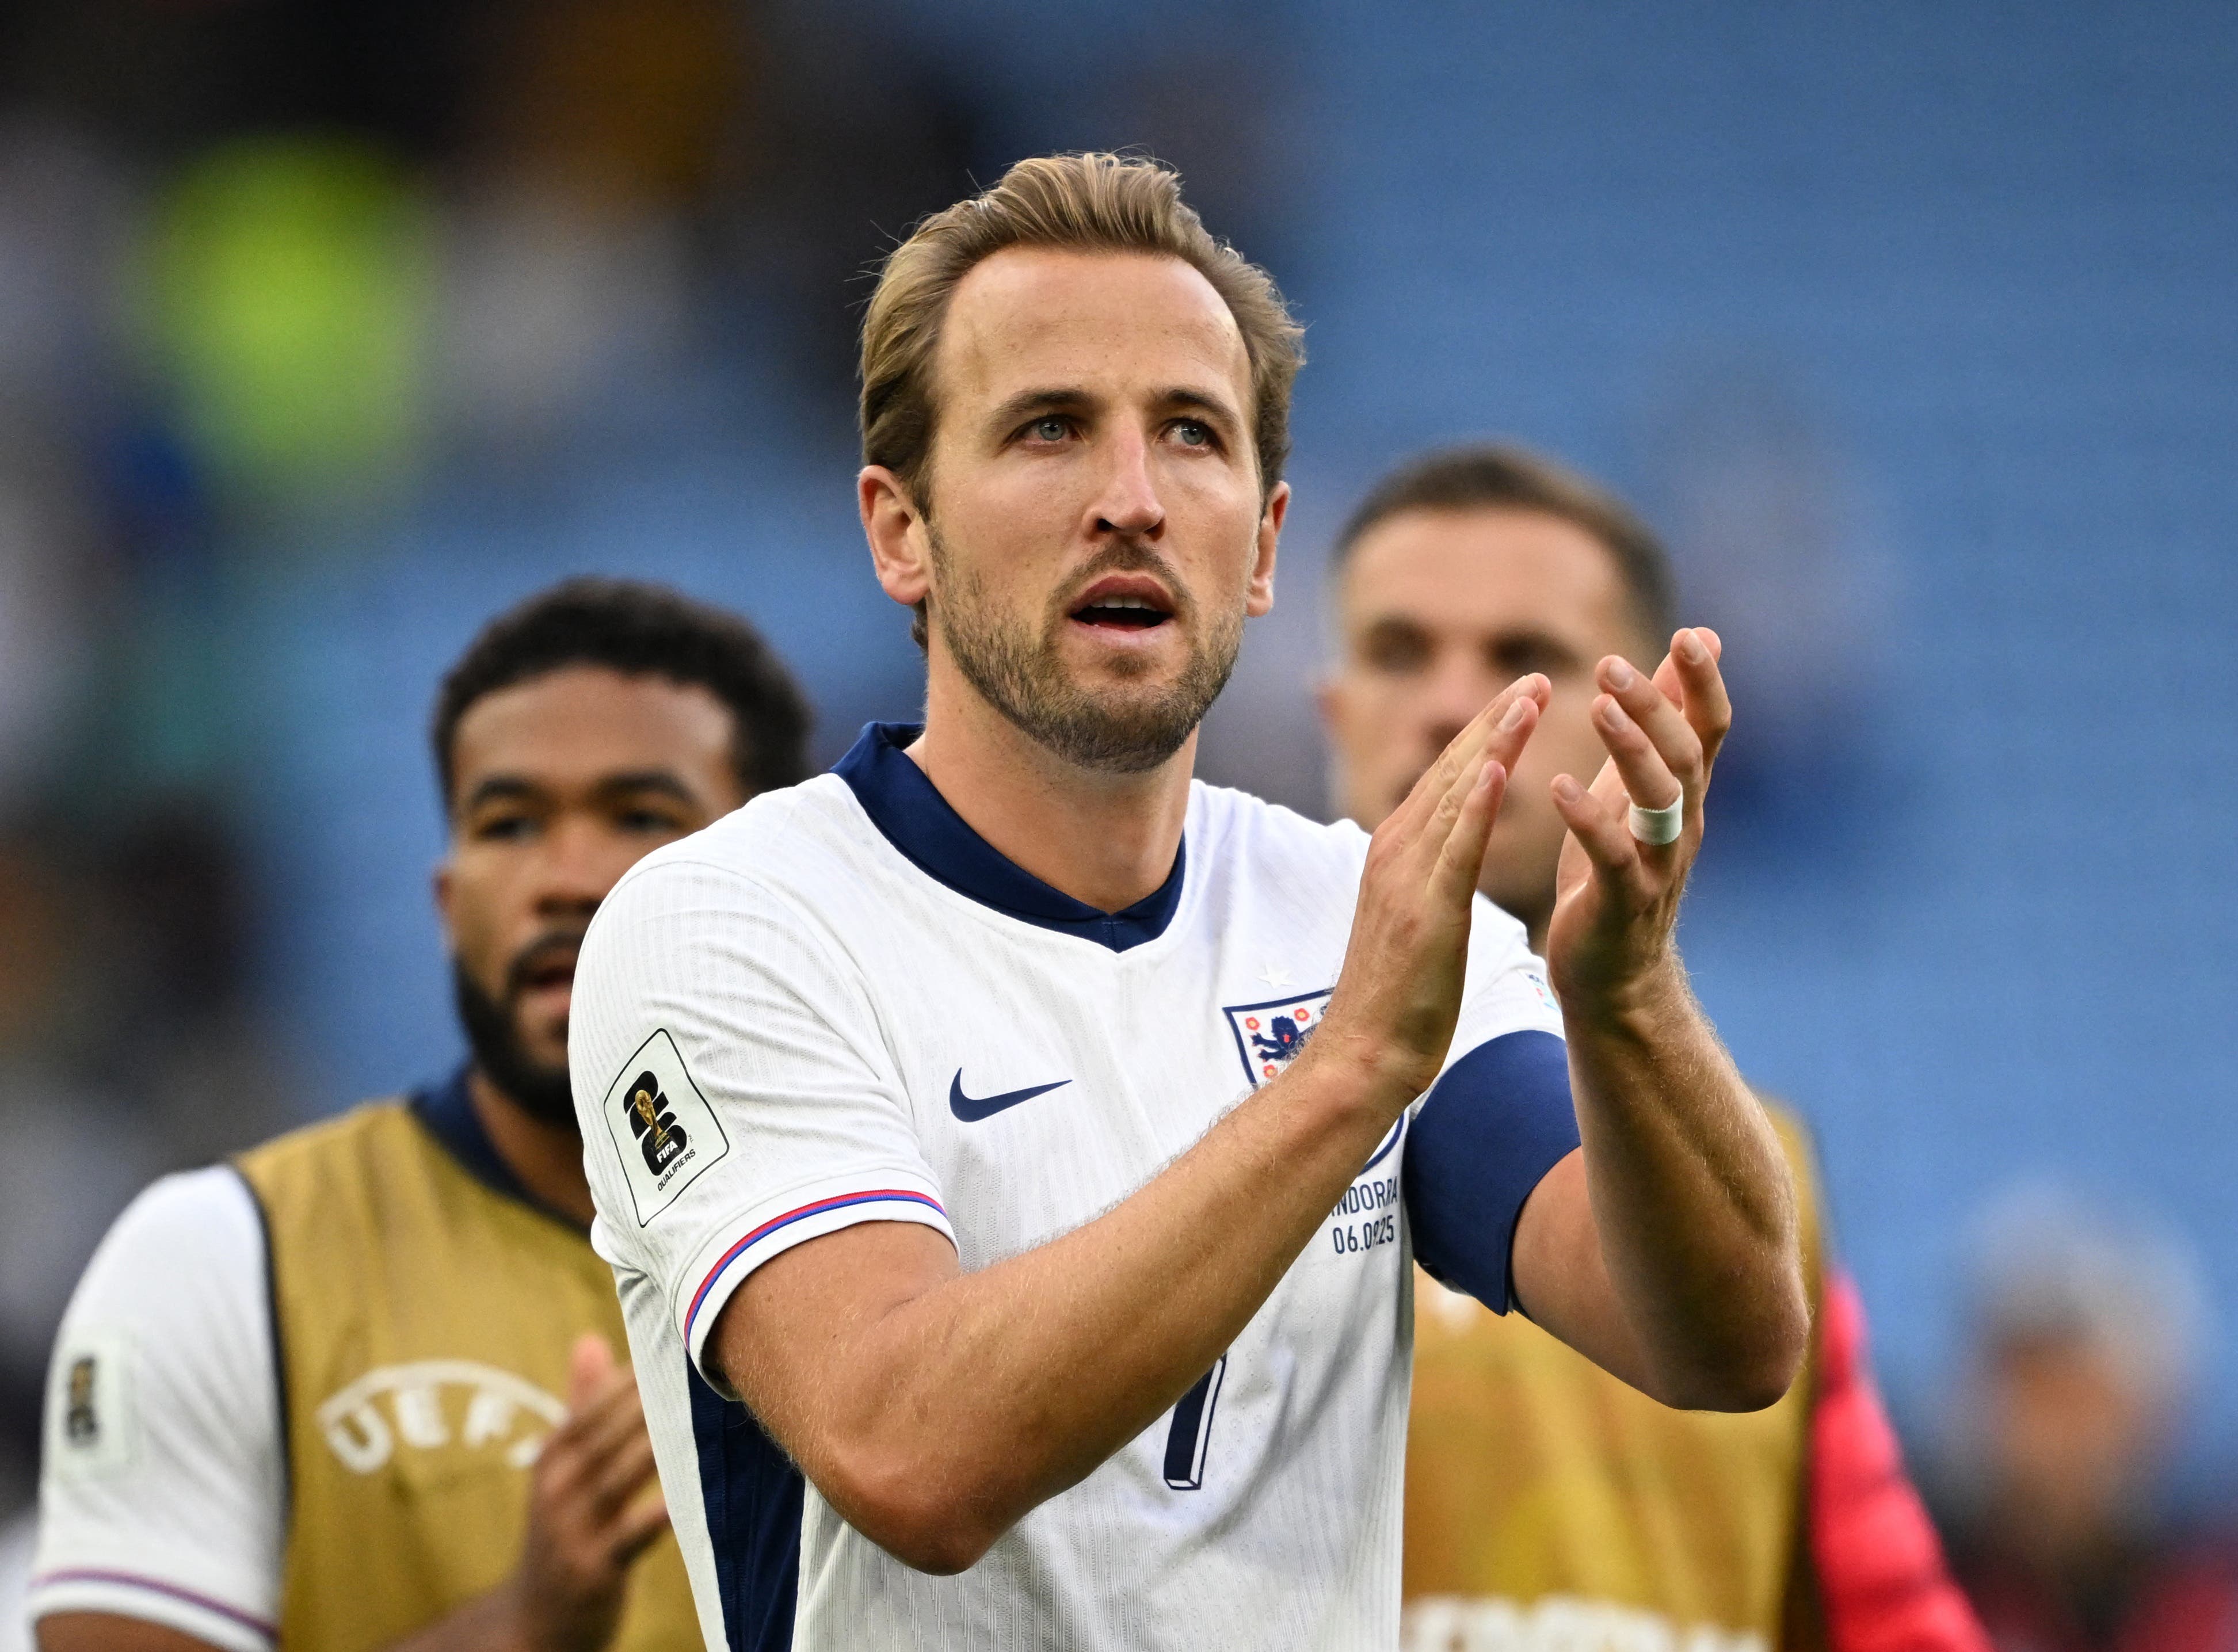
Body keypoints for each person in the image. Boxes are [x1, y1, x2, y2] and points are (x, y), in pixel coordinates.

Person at [568, 152, 1808, 1650]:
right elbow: (910, 1451)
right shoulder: (729, 925)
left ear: (1269, 544)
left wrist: (1629, 999)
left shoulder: (1364, 912)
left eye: (1191, 436)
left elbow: (1729, 1334)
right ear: (902, 528)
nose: (1133, 500)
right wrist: (1343, 1071)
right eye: (1048, 430)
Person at [28, 579, 811, 1652]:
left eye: (640, 814)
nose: (564, 878)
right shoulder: (226, 1260)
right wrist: (525, 1624)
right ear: (448, 904)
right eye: (509, 823)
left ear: (778, 885)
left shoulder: (921, 1242)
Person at [1318, 442, 1989, 1652]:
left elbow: (1877, 1604)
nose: (1454, 705)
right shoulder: (1188, 1093)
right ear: (1333, 711)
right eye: (1399, 650)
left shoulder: (1748, 1170)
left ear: (1650, 719)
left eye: (1525, 660)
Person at [1939, 1189, 2237, 1652]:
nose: (2052, 1436)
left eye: (2081, 1398)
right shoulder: (1922, 1577)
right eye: (2032, 1389)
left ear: (2154, 1411)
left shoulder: (2208, 1597)